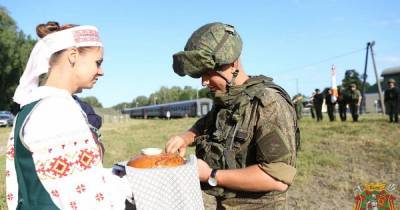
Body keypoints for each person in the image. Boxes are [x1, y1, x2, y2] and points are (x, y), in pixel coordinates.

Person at [166, 22, 298, 209]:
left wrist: (211, 175)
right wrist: (186, 137)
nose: (204, 82)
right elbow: (208, 123)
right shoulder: (228, 99)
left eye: (209, 73)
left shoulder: (269, 104)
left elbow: (277, 178)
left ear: (233, 64)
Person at [6, 21, 130, 210]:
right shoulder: (57, 109)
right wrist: (138, 184)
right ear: (73, 55)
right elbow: (89, 198)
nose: (101, 71)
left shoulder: (31, 107)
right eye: (98, 62)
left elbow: (19, 189)